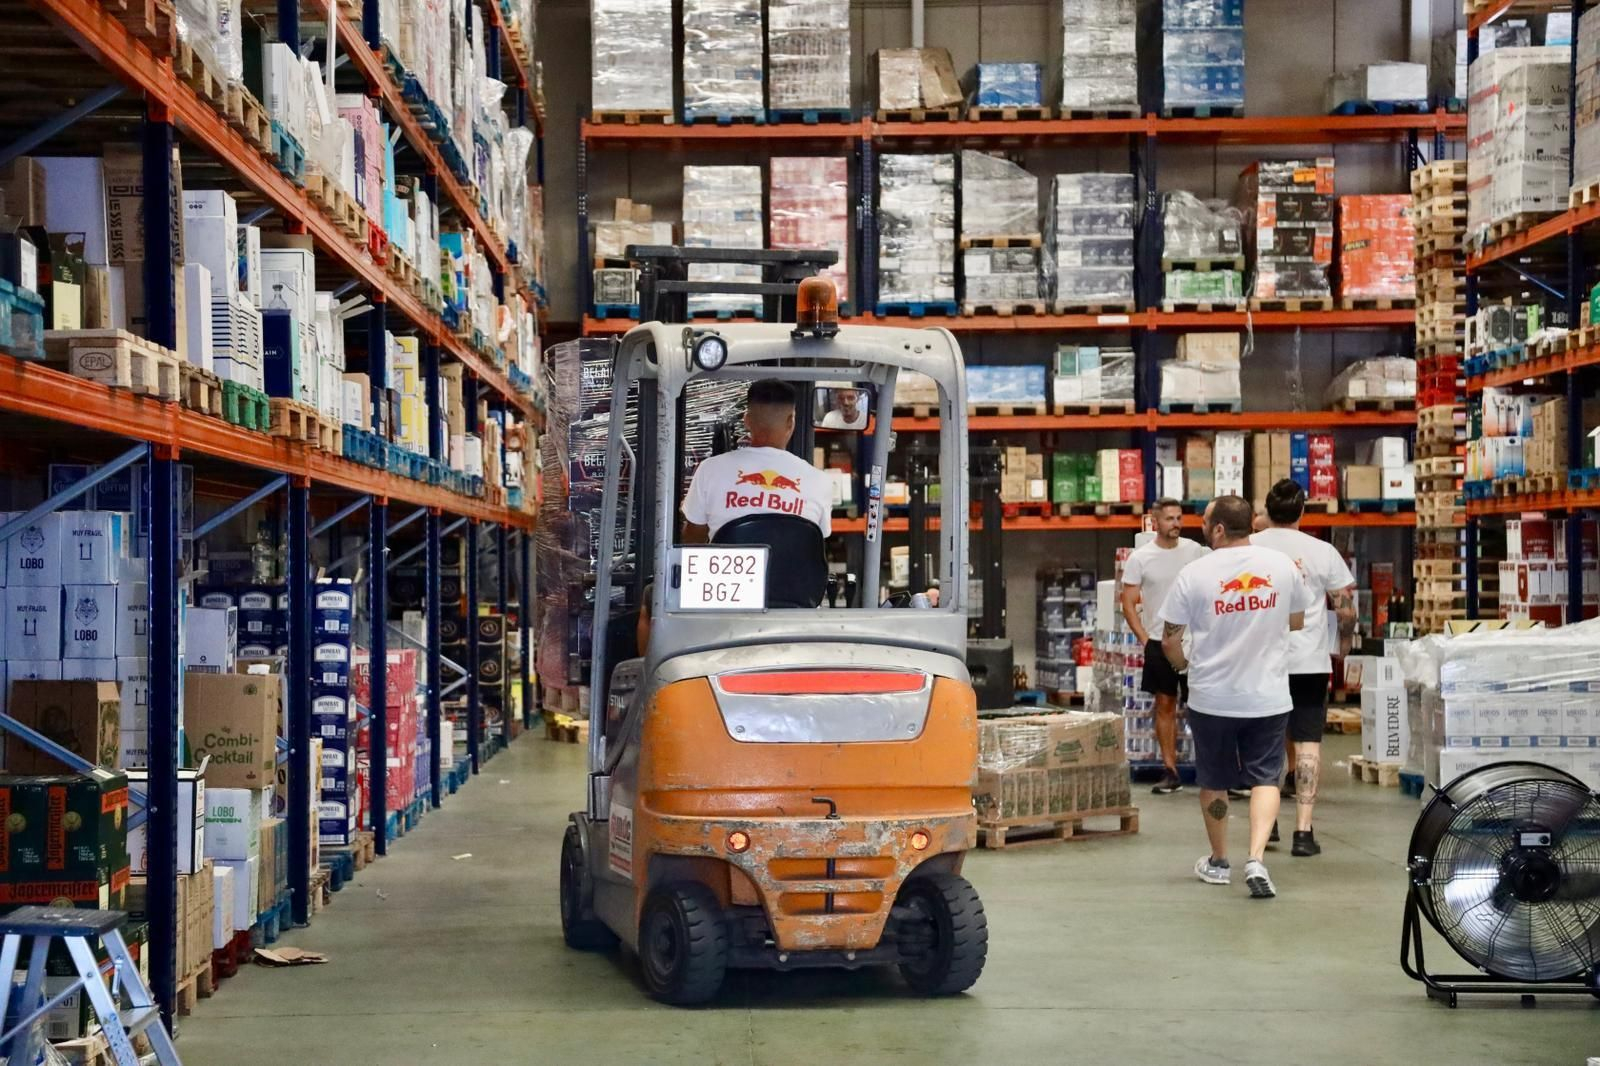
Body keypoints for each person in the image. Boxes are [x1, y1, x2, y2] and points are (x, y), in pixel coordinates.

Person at [1158, 495, 1312, 900]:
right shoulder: (1282, 567)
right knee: (1266, 778)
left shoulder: (1194, 573)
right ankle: (1257, 859)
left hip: (1213, 697)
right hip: (1268, 696)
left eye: (1207, 523)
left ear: (1220, 529)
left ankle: (1220, 860)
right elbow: (1297, 620)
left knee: (1215, 779)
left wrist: (1183, 667)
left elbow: (1169, 640)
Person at [1250, 479, 1357, 858]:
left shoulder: (1250, 547)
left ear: (1266, 509)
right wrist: (1342, 645)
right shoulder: (1322, 551)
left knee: (1268, 741)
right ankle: (1303, 832)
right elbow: (1345, 609)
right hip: (1310, 661)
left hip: (1264, 660)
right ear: (1301, 512)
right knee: (1308, 743)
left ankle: (1269, 824)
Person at [1120, 498, 1209, 794]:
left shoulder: (1195, 552)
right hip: (1160, 642)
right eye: (1169, 519)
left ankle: (1213, 769)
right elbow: (1128, 603)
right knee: (1165, 705)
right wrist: (1146, 640)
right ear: (1154, 522)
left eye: (1179, 518)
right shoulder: (1141, 558)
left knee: (1204, 706)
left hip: (1194, 642)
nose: (1176, 524)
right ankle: (1170, 770)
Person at [681, 379, 832, 542]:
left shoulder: (709, 470)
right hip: (789, 568)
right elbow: (815, 542)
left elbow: (692, 540)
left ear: (746, 420)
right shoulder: (819, 481)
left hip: (729, 568)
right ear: (791, 422)